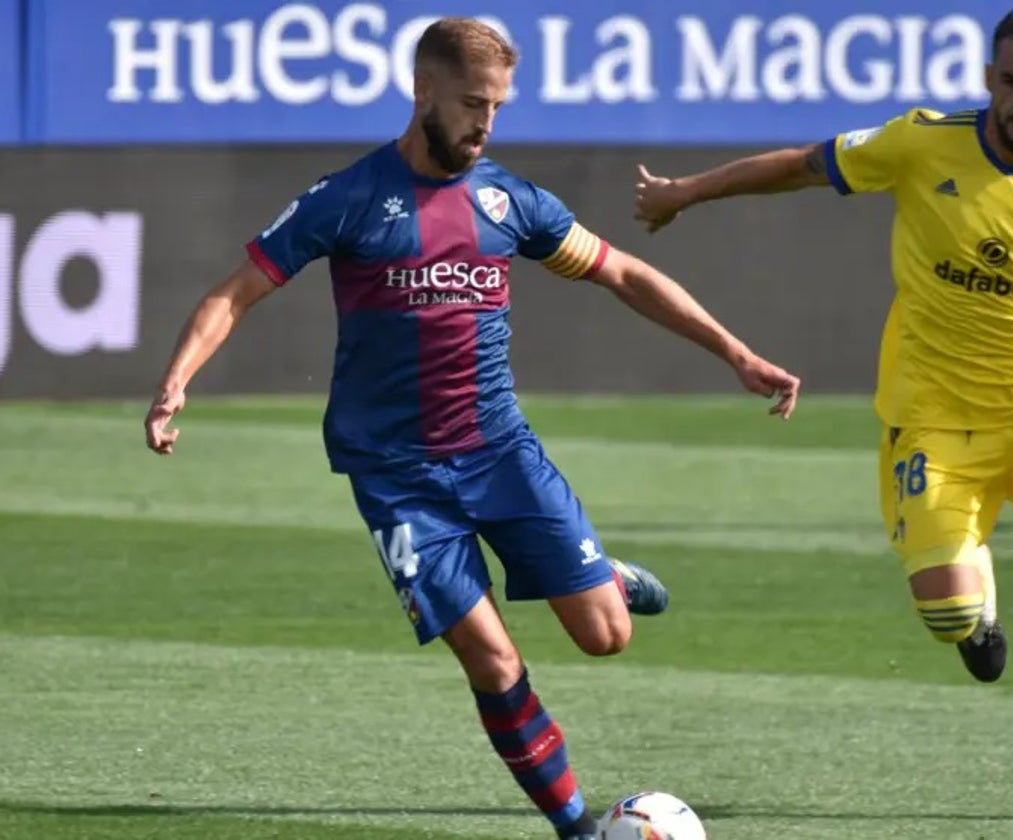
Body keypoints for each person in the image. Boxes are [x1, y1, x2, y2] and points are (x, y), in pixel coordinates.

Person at [142, 17, 799, 840]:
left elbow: (622, 272)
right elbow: (233, 292)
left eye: (498, 107)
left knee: (606, 638)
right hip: (398, 477)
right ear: (423, 93)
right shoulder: (348, 198)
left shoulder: (507, 200)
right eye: (473, 104)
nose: (486, 124)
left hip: (499, 452)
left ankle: (603, 577)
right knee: (492, 660)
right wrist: (176, 383)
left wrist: (735, 353)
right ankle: (578, 830)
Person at [632, 5, 1013, 824]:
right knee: (948, 616)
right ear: (988, 79)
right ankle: (978, 610)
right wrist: (687, 193)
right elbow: (801, 164)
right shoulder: (922, 141)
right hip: (934, 427)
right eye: (1011, 82)